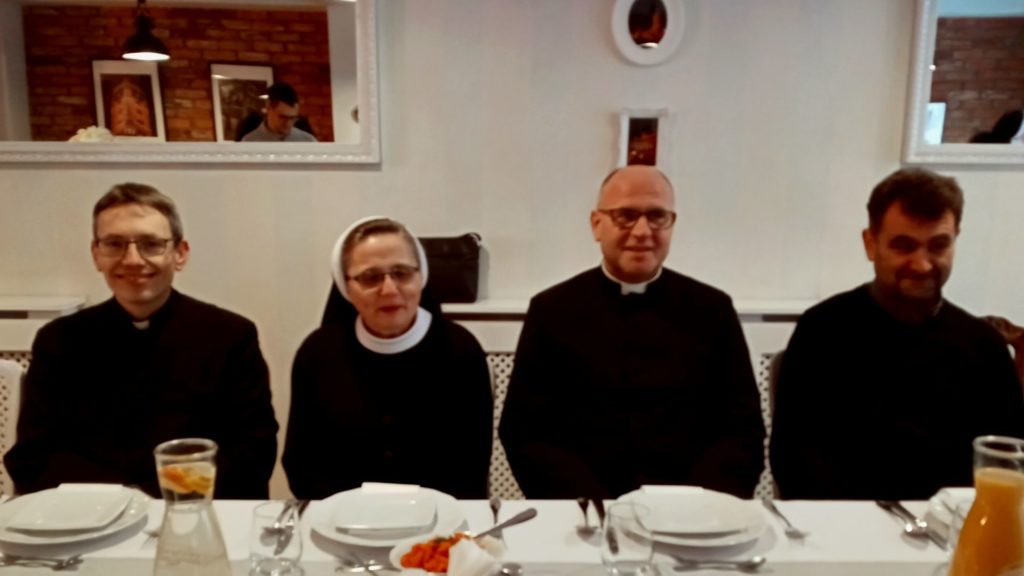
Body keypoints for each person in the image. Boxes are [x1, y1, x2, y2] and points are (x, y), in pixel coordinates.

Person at [498, 165, 765, 499]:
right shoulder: (551, 310)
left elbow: (742, 431)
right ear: (597, 224)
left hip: (692, 510)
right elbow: (526, 432)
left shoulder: (713, 309)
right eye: (625, 215)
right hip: (584, 509)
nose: (642, 231)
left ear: (672, 224)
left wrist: (697, 503)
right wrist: (592, 505)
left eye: (657, 216)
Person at [4, 183, 279, 498]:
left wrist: (155, 499)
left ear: (179, 254)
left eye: (151, 244)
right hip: (89, 517)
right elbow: (33, 457)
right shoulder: (58, 341)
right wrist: (123, 500)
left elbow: (253, 454)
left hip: (193, 509)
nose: (133, 259)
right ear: (96, 255)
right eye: (115, 244)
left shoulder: (231, 336)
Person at [769, 168, 1024, 500]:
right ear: (870, 244)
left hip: (951, 523)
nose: (922, 264)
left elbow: (1005, 461)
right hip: (843, 520)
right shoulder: (822, 330)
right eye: (904, 246)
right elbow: (793, 458)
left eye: (938, 246)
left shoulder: (984, 346)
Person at [282, 217, 492, 499]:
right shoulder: (317, 354)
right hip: (341, 516)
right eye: (370, 277)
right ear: (346, 287)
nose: (390, 289)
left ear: (421, 277)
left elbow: (471, 466)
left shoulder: (462, 350)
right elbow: (302, 462)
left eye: (402, 273)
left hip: (439, 517)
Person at [240, 83, 318, 142]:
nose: (288, 124)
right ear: (268, 107)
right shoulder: (249, 141)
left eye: (292, 118)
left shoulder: (308, 141)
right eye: (283, 117)